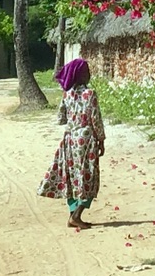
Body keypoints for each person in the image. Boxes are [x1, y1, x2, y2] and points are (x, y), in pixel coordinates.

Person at [39, 57, 105, 229]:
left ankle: (72, 214)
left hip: (69, 141)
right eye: (87, 72)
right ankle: (77, 215)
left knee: (71, 177)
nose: (89, 75)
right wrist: (101, 139)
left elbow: (60, 118)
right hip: (86, 142)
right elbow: (96, 119)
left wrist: (73, 119)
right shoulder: (90, 95)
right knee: (87, 177)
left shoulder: (66, 95)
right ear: (80, 75)